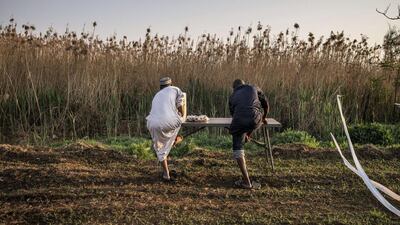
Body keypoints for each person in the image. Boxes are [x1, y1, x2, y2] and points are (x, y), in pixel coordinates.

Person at [229, 79, 269, 189]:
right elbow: (265, 104)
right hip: (255, 120)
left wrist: (244, 132)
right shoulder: (253, 87)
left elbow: (235, 115)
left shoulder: (232, 96)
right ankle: (248, 134)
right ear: (244, 84)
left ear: (234, 88)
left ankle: (247, 182)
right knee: (254, 117)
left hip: (238, 122)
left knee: (238, 150)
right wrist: (264, 118)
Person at [146, 77, 184, 182]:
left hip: (152, 123)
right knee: (179, 121)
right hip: (169, 122)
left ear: (161, 87)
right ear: (170, 84)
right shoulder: (175, 89)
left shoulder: (157, 95)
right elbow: (180, 105)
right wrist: (183, 114)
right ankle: (176, 139)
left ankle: (166, 174)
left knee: (160, 149)